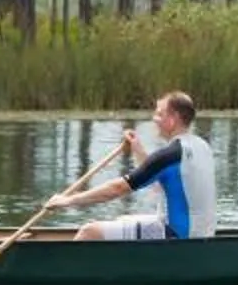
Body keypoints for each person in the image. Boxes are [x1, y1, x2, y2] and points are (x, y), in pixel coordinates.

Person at [44, 91, 216, 242]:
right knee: (122, 220)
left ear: (172, 120)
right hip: (202, 234)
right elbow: (160, 184)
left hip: (177, 236)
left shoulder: (170, 155)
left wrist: (67, 200)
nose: (154, 119)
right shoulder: (202, 147)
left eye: (159, 114)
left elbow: (117, 189)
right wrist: (138, 149)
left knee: (90, 232)